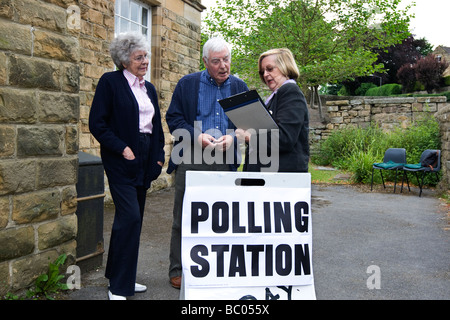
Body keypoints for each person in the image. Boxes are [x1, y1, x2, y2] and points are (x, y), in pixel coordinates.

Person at [165, 37, 249, 289]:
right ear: (205, 62)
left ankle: (215, 267)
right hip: (191, 157)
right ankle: (178, 269)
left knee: (222, 218)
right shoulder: (188, 84)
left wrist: (233, 136)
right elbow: (174, 119)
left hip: (225, 159)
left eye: (226, 59)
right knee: (184, 215)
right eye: (216, 61)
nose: (223, 65)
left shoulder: (239, 86)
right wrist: (195, 136)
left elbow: (248, 124)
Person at [89, 32, 165, 300]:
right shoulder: (110, 83)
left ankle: (123, 277)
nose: (145, 61)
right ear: (124, 61)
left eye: (146, 56)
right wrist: (122, 147)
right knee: (129, 217)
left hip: (145, 158)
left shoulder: (149, 87)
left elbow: (155, 127)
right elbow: (97, 124)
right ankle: (118, 287)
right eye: (139, 58)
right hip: (122, 159)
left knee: (135, 219)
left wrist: (159, 155)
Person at [235, 48, 309, 172]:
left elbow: (285, 138)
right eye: (262, 71)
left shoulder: (290, 92)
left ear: (285, 67)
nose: (265, 74)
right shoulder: (275, 97)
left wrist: (250, 137)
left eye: (270, 69)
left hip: (280, 180)